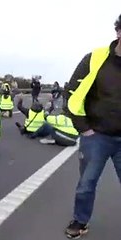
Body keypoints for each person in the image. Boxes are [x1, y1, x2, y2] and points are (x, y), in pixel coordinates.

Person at [63, 14, 121, 239]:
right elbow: (71, 93)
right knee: (86, 184)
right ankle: (80, 221)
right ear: (118, 32)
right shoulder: (95, 59)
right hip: (96, 136)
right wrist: (84, 128)